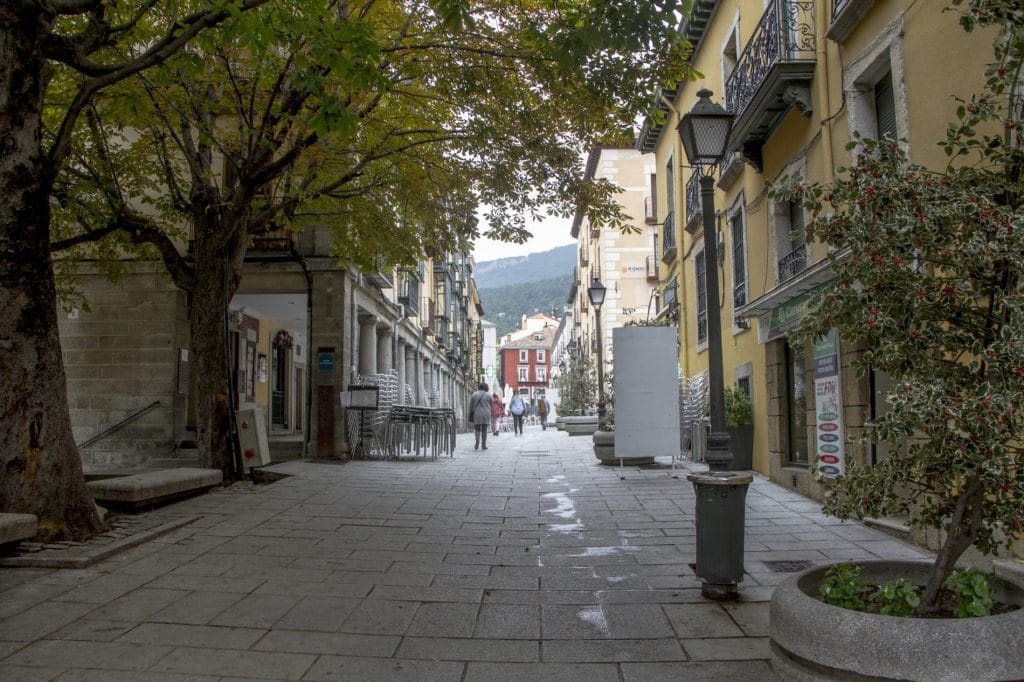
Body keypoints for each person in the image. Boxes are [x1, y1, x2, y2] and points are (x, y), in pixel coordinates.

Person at [468, 383, 493, 450]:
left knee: (477, 429)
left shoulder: (474, 394)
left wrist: (470, 414)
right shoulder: (488, 395)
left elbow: (471, 405)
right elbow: (492, 405)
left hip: (477, 413)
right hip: (486, 413)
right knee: (484, 429)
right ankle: (483, 444)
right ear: (486, 388)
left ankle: (477, 442)